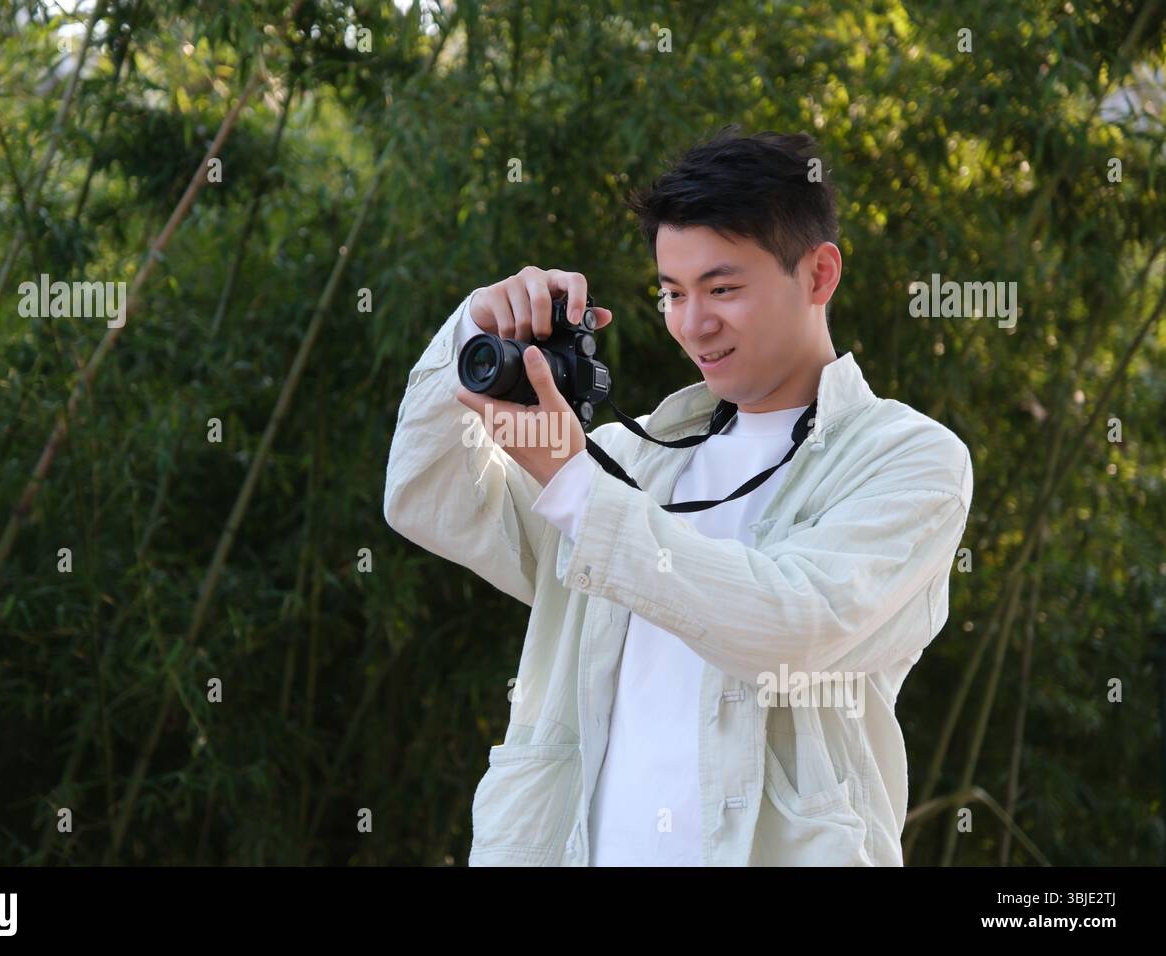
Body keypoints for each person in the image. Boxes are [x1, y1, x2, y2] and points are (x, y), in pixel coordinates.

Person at [383, 126, 973, 866]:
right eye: (672, 293)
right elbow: (423, 497)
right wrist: (474, 330)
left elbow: (789, 625)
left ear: (819, 274)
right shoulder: (628, 459)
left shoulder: (907, 461)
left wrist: (575, 487)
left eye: (723, 289)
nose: (693, 325)